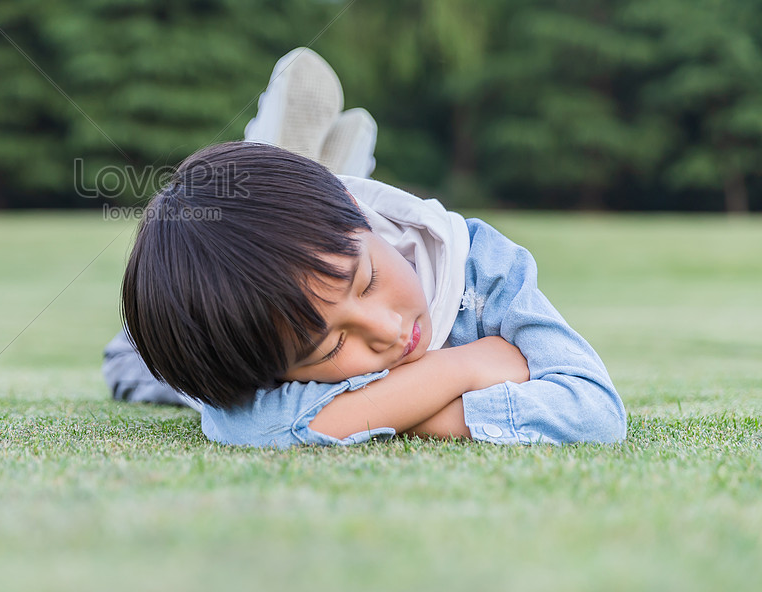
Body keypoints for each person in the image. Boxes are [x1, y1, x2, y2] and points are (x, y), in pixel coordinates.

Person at [103, 48, 626, 448]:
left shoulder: (483, 267)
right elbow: (236, 421)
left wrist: (366, 409)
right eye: (330, 349)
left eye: (367, 280)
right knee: (141, 370)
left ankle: (286, 165)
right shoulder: (243, 348)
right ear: (277, 376)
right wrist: (456, 371)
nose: (388, 331)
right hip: (186, 349)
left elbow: (596, 411)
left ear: (358, 209)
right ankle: (284, 170)